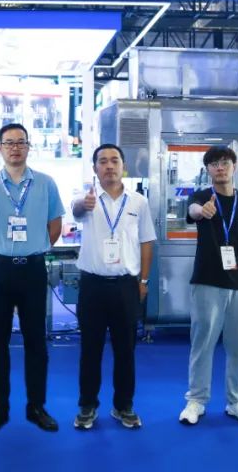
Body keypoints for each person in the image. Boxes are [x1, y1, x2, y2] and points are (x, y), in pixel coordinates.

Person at [0, 123, 64, 434]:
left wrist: (33, 248)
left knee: (36, 341)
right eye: (9, 143)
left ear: (29, 147)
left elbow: (55, 226)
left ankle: (37, 407)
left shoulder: (46, 183)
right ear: (0, 148)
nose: (15, 147)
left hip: (32, 270)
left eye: (20, 142)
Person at [70, 144, 155, 430]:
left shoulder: (138, 202)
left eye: (114, 161)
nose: (109, 166)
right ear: (95, 168)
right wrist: (83, 204)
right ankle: (87, 405)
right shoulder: (87, 199)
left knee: (125, 351)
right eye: (103, 161)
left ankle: (123, 406)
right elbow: (75, 210)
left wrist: (144, 281)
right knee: (90, 350)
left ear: (123, 166)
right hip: (92, 286)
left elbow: (146, 242)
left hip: (126, 286)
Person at [179, 145, 238, 428]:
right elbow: (192, 211)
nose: (220, 167)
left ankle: (237, 401)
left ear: (234, 167)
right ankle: (196, 400)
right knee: (202, 344)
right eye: (214, 163)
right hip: (206, 282)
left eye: (225, 162)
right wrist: (201, 211)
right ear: (207, 170)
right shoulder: (202, 197)